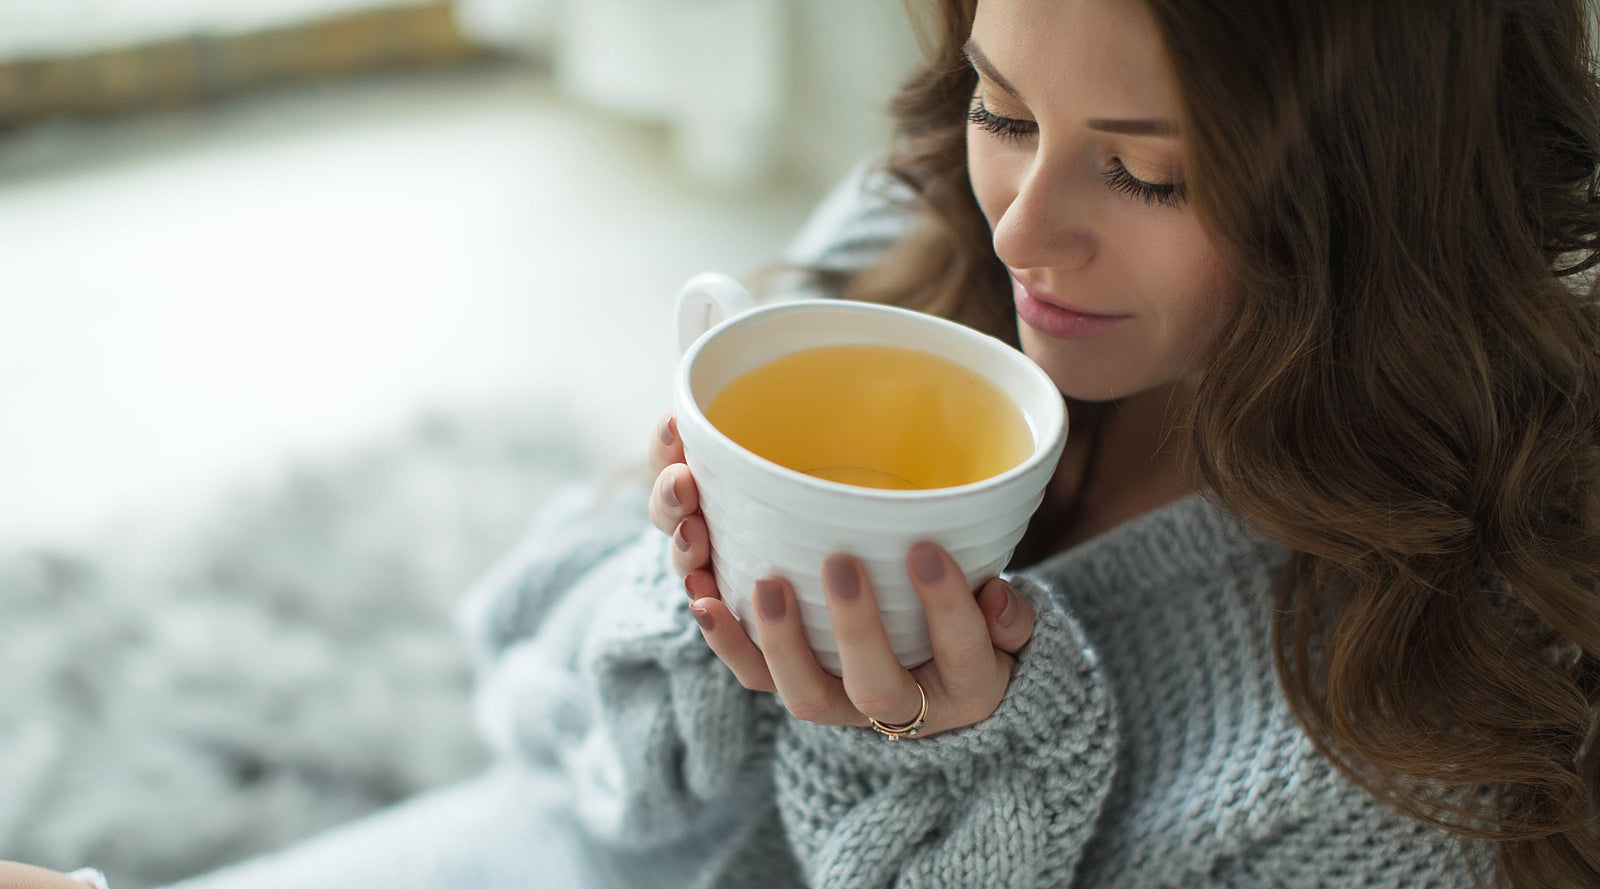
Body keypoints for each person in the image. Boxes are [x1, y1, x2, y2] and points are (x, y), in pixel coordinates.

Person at [10, 0, 1597, 886]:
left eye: (1153, 179)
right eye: (1003, 108)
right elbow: (541, 716)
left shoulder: (1417, 725)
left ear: (1381, 204)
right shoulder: (917, 253)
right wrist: (691, 595)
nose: (1030, 229)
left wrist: (951, 765)